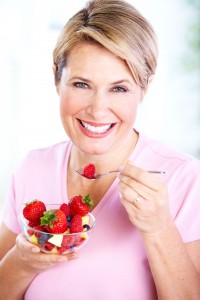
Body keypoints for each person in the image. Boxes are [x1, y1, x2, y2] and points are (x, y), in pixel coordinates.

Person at [0, 0, 200, 299]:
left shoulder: (184, 178)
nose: (97, 109)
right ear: (57, 79)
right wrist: (22, 262)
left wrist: (159, 229)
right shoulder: (32, 167)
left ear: (144, 89)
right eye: (81, 84)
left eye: (118, 88)